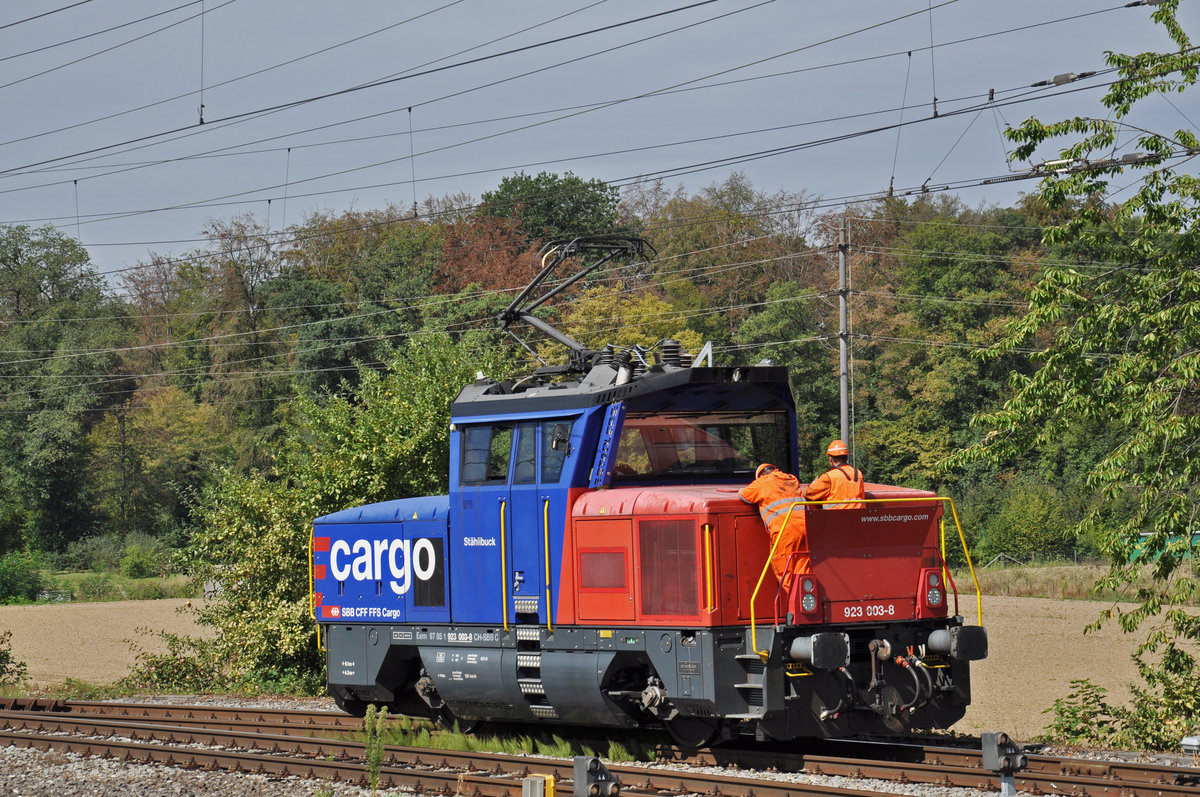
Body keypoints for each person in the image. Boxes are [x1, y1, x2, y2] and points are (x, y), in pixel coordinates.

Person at [739, 463, 810, 591]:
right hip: (806, 528)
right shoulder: (791, 479)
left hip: (785, 531)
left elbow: (744, 495)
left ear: (760, 476)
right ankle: (806, 602)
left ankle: (796, 601)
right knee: (802, 569)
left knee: (783, 569)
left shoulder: (762, 482)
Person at [806, 439, 865, 509]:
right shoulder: (858, 473)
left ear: (831, 459)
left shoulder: (828, 477)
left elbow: (809, 494)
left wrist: (813, 484)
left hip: (835, 518)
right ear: (846, 457)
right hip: (858, 517)